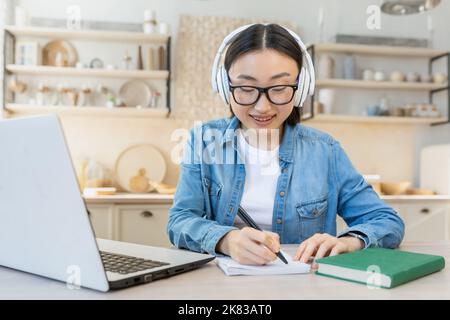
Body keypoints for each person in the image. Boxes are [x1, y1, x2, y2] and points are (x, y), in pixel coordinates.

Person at [167, 23, 404, 266]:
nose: (262, 107)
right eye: (246, 88)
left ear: (300, 88)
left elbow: (387, 221)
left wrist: (350, 242)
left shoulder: (325, 151)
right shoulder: (204, 141)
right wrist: (226, 240)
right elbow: (179, 221)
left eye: (279, 88)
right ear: (225, 86)